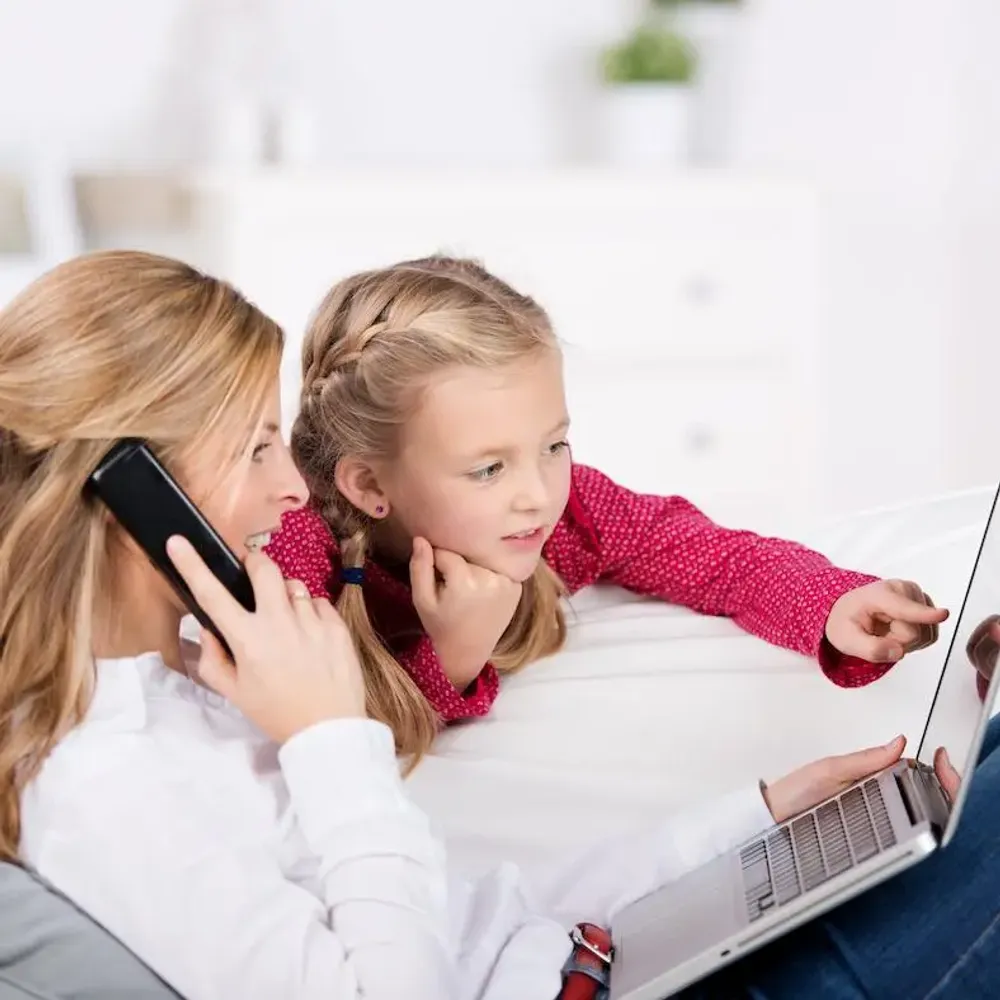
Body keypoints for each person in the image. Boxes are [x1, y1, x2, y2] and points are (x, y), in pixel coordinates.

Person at [3, 250, 998, 1000]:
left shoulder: (191, 687)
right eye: (257, 447)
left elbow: (458, 922)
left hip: (595, 960)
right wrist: (326, 735)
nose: (287, 483)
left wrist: (755, 824)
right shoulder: (103, 785)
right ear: (131, 492)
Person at [265, 255, 946, 758]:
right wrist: (457, 652)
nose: (538, 491)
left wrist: (834, 603)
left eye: (554, 444)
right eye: (489, 468)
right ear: (369, 487)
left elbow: (712, 556)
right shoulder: (291, 556)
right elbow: (336, 748)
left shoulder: (564, 514)